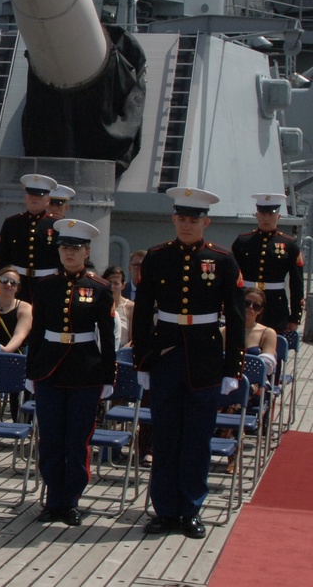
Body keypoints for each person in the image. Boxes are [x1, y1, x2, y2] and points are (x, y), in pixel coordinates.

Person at [133, 187, 244, 540]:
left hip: (205, 356)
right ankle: (165, 510)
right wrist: (142, 360)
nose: (186, 224)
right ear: (173, 219)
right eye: (181, 218)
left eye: (193, 219)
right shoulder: (156, 256)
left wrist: (232, 368)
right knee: (165, 436)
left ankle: (191, 509)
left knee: (197, 438)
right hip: (166, 354)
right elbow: (142, 313)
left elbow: (237, 317)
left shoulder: (223, 260)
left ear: (205, 222)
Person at [27, 219, 116, 526]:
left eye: (75, 249)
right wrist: (31, 370)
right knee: (51, 438)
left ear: (86, 251)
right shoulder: (46, 286)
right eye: (64, 247)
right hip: (50, 370)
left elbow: (107, 335)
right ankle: (53, 499)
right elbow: (37, 331)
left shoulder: (99, 288)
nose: (69, 254)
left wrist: (108, 376)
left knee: (77, 440)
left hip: (85, 371)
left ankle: (71, 501)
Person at [219, 286, 277, 473]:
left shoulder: (267, 333)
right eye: (246, 303)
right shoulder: (225, 331)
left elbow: (267, 364)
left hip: (255, 386)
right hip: (227, 381)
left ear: (261, 311)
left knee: (237, 398)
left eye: (256, 306)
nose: (250, 308)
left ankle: (232, 451)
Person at [231, 193, 304, 333]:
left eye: (271, 214)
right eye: (263, 214)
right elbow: (232, 277)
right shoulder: (243, 241)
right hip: (246, 302)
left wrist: (295, 317)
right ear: (257, 215)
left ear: (279, 217)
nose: (266, 218)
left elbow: (297, 284)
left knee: (273, 344)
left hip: (275, 305)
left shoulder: (289, 245)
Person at [0, 173, 60, 302]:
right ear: (25, 197)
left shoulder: (56, 225)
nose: (34, 199)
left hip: (47, 285)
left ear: (48, 200)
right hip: (17, 285)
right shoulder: (12, 223)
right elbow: (4, 258)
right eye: (31, 195)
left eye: (39, 196)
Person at [0, 266, 33, 437]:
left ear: (18, 287)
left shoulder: (24, 308)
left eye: (13, 283)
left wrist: (3, 350)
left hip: (14, 358)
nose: (8, 284)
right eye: (4, 280)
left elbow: (19, 336)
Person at [103, 265, 134, 348]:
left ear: (123, 285)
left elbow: (134, 340)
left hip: (122, 354)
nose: (112, 287)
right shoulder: (97, 305)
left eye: (116, 283)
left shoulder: (130, 307)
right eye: (109, 283)